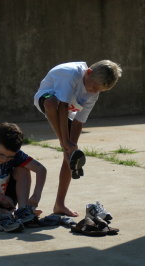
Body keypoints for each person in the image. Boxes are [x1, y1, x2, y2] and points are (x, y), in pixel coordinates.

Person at [34, 60, 122, 217]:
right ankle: (66, 147)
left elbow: (79, 121)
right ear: (88, 72)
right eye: (93, 86)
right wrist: (64, 142)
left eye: (98, 90)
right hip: (48, 99)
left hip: (68, 112)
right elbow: (61, 107)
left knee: (70, 154)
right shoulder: (71, 74)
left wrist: (72, 146)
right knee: (51, 102)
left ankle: (59, 204)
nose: (93, 91)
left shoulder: (94, 93)